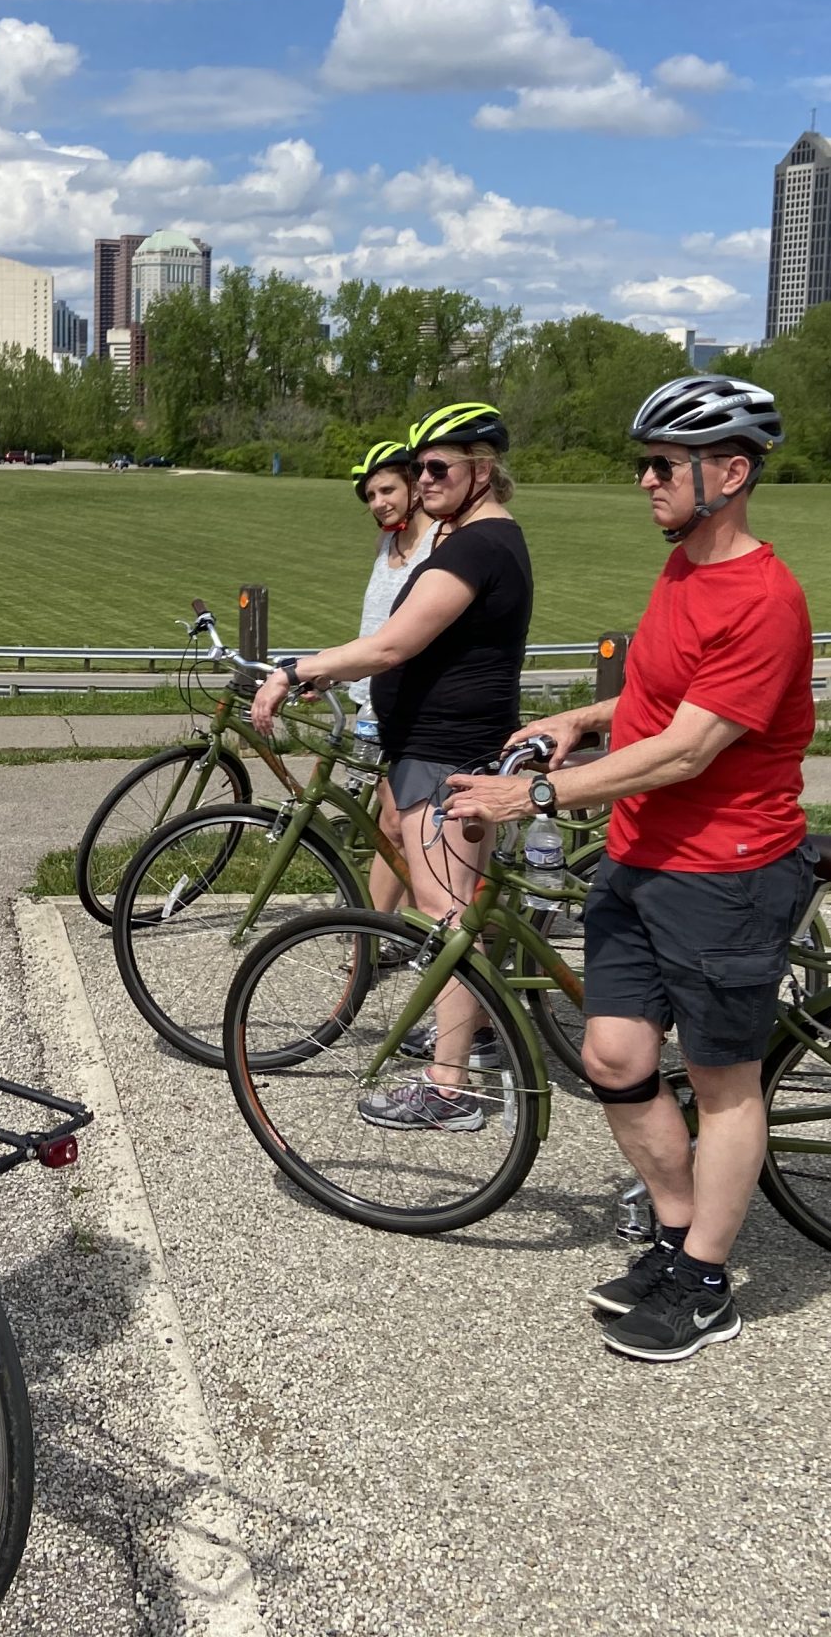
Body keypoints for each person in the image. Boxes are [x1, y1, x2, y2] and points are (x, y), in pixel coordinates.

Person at [444, 373, 812, 1364]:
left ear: (728, 472)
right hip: (643, 857)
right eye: (640, 464)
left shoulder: (763, 597)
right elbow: (656, 700)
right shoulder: (684, 571)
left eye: (662, 464)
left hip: (723, 871)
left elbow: (694, 748)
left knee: (726, 1083)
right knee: (612, 1056)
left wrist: (535, 796)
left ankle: (704, 1279)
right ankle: (678, 1232)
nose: (644, 480)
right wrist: (577, 719)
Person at [251, 402, 533, 1127]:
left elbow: (389, 645)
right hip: (433, 748)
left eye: (440, 466)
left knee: (446, 917)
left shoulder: (477, 548)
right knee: (452, 910)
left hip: (445, 754)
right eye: (420, 467)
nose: (424, 478)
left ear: (484, 468)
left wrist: (297, 669)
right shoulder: (472, 539)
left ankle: (451, 1087)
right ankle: (467, 1038)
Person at [348, 437, 436, 912]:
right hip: (373, 698)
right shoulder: (388, 542)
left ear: (413, 484)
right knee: (392, 822)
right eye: (371, 497)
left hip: (414, 703)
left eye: (387, 490)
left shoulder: (438, 543)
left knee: (399, 823)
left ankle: (377, 933)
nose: (379, 503)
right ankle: (381, 929)